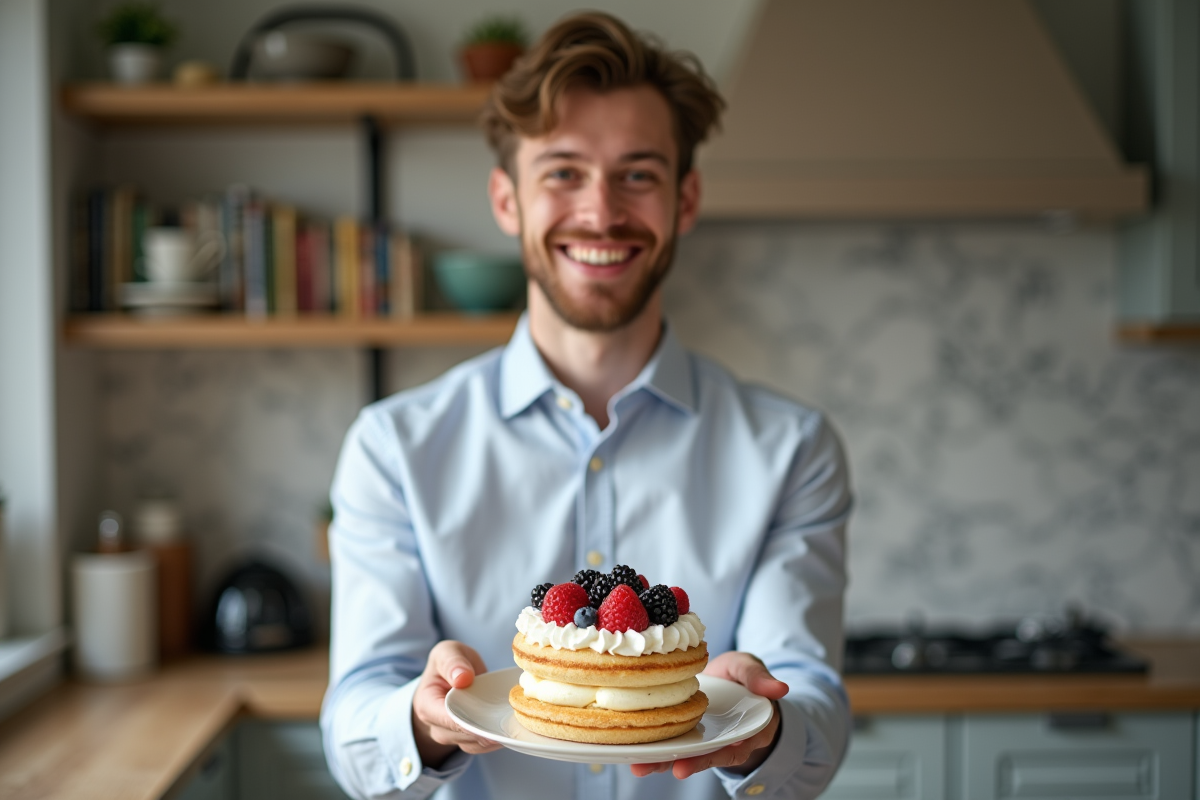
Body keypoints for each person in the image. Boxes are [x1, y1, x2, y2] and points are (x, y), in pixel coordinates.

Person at [321, 12, 852, 800]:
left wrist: (765, 726)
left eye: (638, 173)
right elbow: (355, 729)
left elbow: (815, 717)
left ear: (686, 197)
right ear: (508, 199)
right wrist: (426, 721)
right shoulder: (394, 447)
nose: (601, 212)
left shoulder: (790, 449)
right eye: (563, 172)